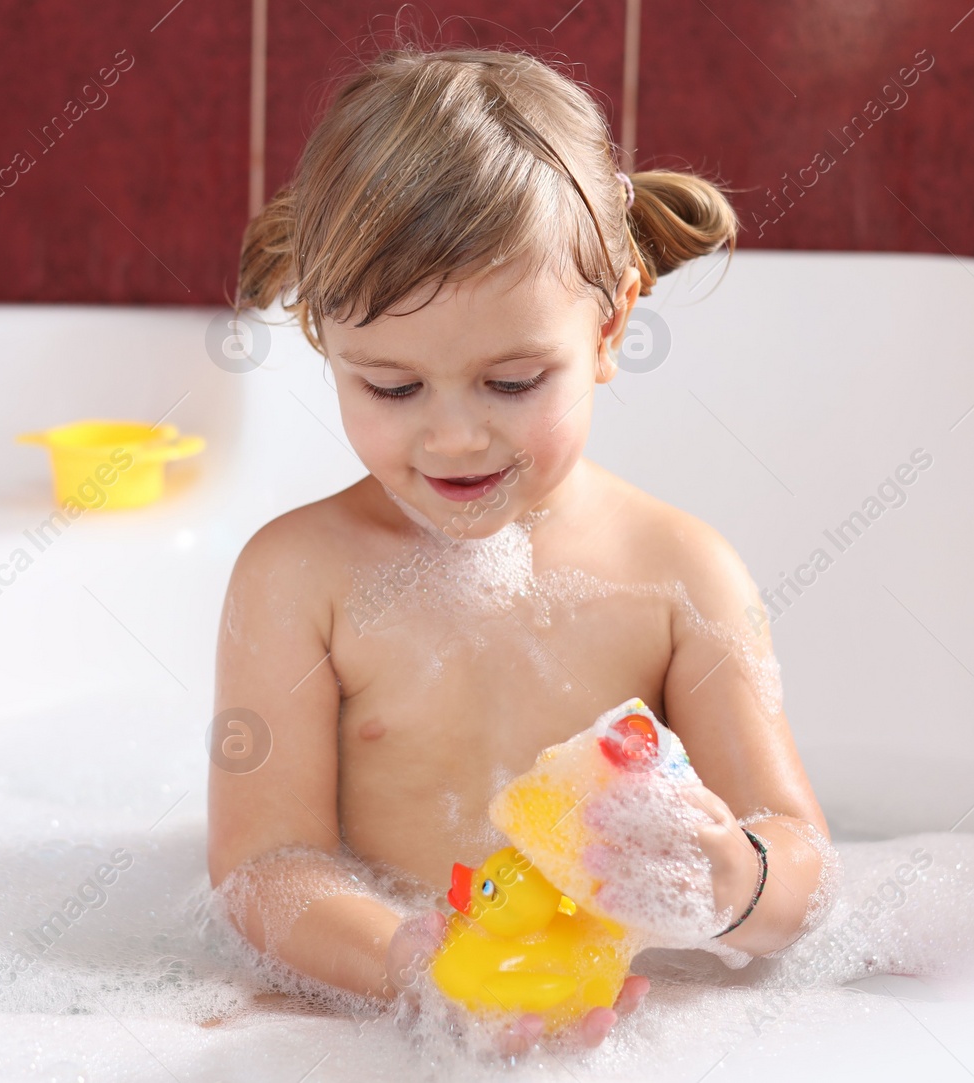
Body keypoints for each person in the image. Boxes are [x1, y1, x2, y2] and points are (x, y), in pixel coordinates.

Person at [207, 42, 835, 1055]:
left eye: (511, 383)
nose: (454, 437)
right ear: (324, 339)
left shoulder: (680, 572)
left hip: (626, 1020)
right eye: (391, 388)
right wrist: (417, 962)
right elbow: (265, 870)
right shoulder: (297, 578)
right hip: (378, 1012)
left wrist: (730, 879)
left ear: (609, 325)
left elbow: (799, 857)